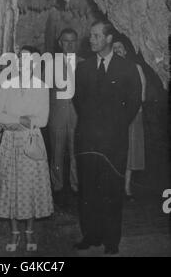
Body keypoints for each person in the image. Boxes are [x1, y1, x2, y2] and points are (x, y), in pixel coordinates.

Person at [74, 20, 142, 255]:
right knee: (88, 190)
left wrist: (114, 126)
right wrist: (93, 127)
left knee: (112, 190)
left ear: (109, 39)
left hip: (114, 142)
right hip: (88, 140)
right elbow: (78, 101)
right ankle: (90, 235)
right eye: (91, 36)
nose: (90, 39)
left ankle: (112, 240)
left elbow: (134, 102)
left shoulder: (127, 68)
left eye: (95, 36)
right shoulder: (83, 69)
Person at [0, 46, 53, 252]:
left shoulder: (42, 87)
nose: (24, 63)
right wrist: (20, 119)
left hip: (31, 142)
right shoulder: (7, 85)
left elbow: (42, 120)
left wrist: (13, 121)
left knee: (30, 187)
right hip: (10, 143)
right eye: (21, 59)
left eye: (29, 59)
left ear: (36, 63)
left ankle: (30, 232)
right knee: (11, 187)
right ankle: (15, 233)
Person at [48, 28, 82, 207]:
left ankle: (76, 186)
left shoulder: (85, 64)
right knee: (57, 152)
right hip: (57, 114)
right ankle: (57, 186)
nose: (69, 44)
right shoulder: (50, 64)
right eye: (66, 41)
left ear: (77, 43)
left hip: (77, 115)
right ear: (60, 43)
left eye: (72, 41)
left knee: (77, 151)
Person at [113, 36, 146, 199]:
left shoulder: (136, 67)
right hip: (113, 116)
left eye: (119, 47)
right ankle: (115, 186)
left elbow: (143, 94)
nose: (117, 50)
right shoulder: (107, 69)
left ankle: (126, 187)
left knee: (130, 152)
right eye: (114, 48)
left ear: (125, 50)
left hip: (132, 115)